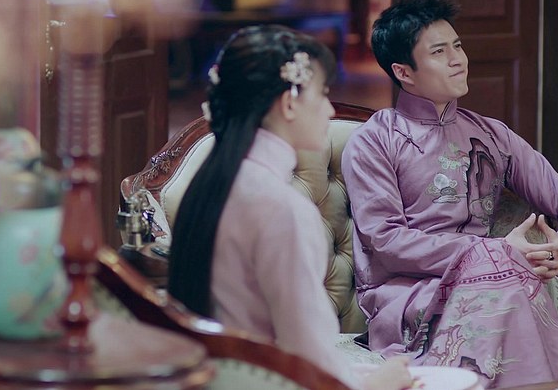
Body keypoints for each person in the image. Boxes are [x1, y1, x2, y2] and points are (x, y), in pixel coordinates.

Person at [341, 0, 558, 389]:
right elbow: (387, 241)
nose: (458, 59)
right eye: (439, 52)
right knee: (506, 283)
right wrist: (495, 252)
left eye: (458, 46)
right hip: (411, 293)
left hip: (498, 280)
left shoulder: (492, 135)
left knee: (508, 283)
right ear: (404, 72)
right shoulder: (375, 140)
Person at [168, 25, 412, 390]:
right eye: (323, 94)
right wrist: (381, 383)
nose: (329, 109)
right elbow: (310, 359)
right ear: (289, 103)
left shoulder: (211, 184)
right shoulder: (280, 207)